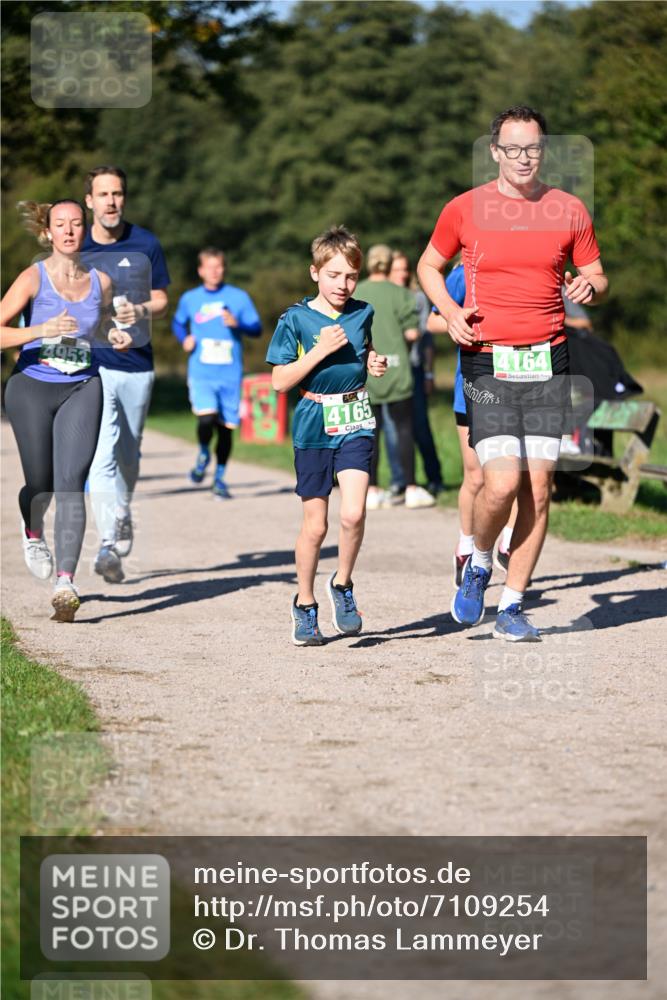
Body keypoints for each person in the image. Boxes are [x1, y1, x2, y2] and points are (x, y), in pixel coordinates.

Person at [418, 105, 607, 641]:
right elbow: (429, 266)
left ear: (543, 151)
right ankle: (479, 558)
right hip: (489, 359)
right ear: (495, 152)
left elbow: (596, 273)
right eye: (513, 148)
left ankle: (511, 607)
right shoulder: (466, 208)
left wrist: (588, 286)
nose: (524, 158)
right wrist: (451, 314)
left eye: (533, 148)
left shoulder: (568, 209)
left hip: (548, 359)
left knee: (540, 488)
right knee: (499, 484)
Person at [1, 199, 131, 621]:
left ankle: (65, 583)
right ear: (49, 232)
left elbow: (102, 325)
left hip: (82, 385)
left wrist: (116, 331)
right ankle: (33, 529)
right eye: (61, 224)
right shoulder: (33, 279)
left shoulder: (101, 282)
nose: (70, 231)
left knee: (71, 480)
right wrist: (39, 330)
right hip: (32, 387)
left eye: (77, 223)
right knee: (41, 484)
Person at [265, 225, 387, 645]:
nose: (343, 284)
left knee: (353, 513)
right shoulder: (296, 318)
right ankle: (304, 603)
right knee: (315, 526)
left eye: (351, 276)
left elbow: (362, 348)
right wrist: (318, 351)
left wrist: (372, 361)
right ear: (315, 273)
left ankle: (343, 584)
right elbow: (280, 381)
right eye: (334, 275)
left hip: (355, 418)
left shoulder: (363, 311)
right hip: (314, 421)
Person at [82, 166, 170, 583]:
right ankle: (106, 542)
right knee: (100, 454)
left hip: (137, 364)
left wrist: (139, 310)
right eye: (103, 194)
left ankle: (122, 511)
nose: (111, 202)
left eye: (118, 194)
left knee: (128, 457)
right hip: (91, 365)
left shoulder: (146, 242)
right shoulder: (75, 244)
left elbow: (162, 299)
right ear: (89, 201)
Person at [427, 260, 516, 585]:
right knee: (477, 476)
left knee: (516, 475)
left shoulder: (522, 264)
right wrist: (461, 323)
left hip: (517, 385)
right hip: (473, 388)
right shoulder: (464, 272)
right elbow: (433, 322)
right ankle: (466, 545)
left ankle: (508, 542)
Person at [172, 248, 262, 498]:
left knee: (225, 428)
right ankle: (203, 451)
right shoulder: (190, 298)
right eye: (209, 267)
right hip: (201, 370)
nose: (215, 271)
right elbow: (178, 322)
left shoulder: (239, 297)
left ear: (224, 268)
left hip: (230, 373)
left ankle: (219, 478)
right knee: (206, 418)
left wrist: (238, 324)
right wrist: (184, 338)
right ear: (200, 270)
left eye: (219, 266)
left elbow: (256, 328)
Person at [356, 245, 435, 511]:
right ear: (389, 265)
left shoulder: (357, 291)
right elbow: (412, 334)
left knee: (370, 431)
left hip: (365, 371)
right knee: (403, 429)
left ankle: (372, 490)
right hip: (397, 368)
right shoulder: (402, 294)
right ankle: (411, 488)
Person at [388, 251, 445, 497]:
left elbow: (427, 340)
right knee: (392, 429)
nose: (402, 273)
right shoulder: (382, 299)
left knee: (421, 426)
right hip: (391, 371)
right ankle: (399, 480)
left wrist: (430, 374)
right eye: (397, 269)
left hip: (414, 369)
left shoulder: (418, 299)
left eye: (404, 268)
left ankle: (435, 478)